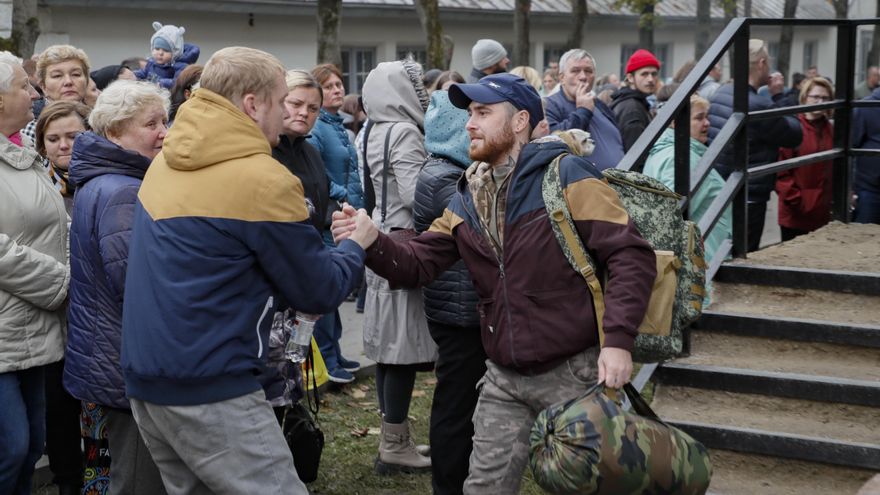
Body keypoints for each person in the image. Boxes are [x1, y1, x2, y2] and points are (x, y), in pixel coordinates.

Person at [332, 72, 656, 494]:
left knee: (591, 485)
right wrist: (372, 241)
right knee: (484, 486)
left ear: (520, 120)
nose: (470, 123)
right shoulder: (470, 191)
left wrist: (617, 341)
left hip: (572, 372)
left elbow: (630, 254)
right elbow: (420, 262)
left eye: (483, 113)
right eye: (470, 113)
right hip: (503, 375)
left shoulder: (568, 175)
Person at [121, 46, 366, 493]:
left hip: (146, 378)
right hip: (214, 384)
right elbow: (319, 290)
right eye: (280, 102)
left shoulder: (165, 162)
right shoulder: (262, 178)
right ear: (253, 105)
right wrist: (355, 245)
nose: (286, 115)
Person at [64, 80, 171, 495]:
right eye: (151, 124)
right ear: (114, 132)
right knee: (133, 479)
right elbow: (136, 288)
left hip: (99, 362)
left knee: (101, 473)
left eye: (165, 120)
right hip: (120, 366)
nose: (164, 131)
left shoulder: (100, 181)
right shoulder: (125, 191)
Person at [360, 59, 437, 474]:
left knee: (388, 351)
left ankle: (396, 436)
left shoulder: (369, 129)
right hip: (402, 243)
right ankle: (394, 445)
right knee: (401, 350)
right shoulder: (404, 131)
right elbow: (413, 195)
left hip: (376, 237)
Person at [0, 51, 69, 495]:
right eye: (25, 85)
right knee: (10, 449)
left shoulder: (20, 152)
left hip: (32, 331)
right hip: (7, 330)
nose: (34, 92)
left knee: (28, 450)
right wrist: (63, 283)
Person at [413, 88, 487, 495]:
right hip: (458, 309)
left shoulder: (447, 170)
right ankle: (448, 483)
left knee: (462, 401)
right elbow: (476, 223)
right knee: (455, 405)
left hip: (461, 303)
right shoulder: (444, 177)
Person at [34, 101, 91, 495]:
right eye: (52, 139)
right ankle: (68, 483)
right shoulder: (37, 188)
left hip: (96, 322)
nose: (63, 146)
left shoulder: (107, 181)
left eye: (72, 136)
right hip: (53, 319)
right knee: (59, 413)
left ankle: (100, 484)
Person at [708, 39, 802, 251]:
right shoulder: (758, 105)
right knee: (744, 253)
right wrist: (779, 96)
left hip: (721, 187)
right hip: (750, 194)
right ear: (761, 64)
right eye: (767, 63)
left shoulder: (721, 93)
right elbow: (794, 134)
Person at [308, 63, 365, 383]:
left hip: (346, 213)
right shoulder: (317, 128)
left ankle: (337, 350)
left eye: (339, 84)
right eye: (329, 86)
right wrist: (344, 197)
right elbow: (319, 176)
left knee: (341, 287)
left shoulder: (338, 125)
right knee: (330, 289)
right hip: (331, 216)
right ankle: (326, 357)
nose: (338, 90)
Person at [643, 93, 732, 292]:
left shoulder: (670, 152)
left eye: (707, 116)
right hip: (701, 264)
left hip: (699, 258)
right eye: (699, 118)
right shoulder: (680, 158)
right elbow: (671, 213)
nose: (707, 123)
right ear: (676, 123)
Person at [775, 77, 835, 240]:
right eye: (815, 97)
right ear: (805, 97)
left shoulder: (831, 130)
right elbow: (781, 171)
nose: (820, 101)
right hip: (795, 215)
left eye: (825, 98)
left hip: (822, 214)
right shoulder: (793, 128)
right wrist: (796, 201)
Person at [544, 48, 624, 170]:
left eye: (588, 71)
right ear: (562, 78)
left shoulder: (600, 105)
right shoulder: (549, 105)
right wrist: (583, 111)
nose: (583, 77)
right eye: (575, 71)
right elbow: (554, 144)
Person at [21, 44, 90, 146]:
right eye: (57, 76)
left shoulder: (97, 121)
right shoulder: (31, 126)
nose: (68, 82)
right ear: (43, 85)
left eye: (76, 74)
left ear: (87, 81)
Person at [610, 48, 661, 153]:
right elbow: (635, 154)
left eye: (654, 74)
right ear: (630, 77)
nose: (650, 79)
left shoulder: (635, 103)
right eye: (644, 74)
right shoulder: (632, 109)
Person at [133, 21, 200, 89]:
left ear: (175, 52)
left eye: (166, 50)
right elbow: (144, 73)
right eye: (157, 49)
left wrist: (162, 83)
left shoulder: (180, 66)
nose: (160, 53)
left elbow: (177, 82)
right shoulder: (151, 62)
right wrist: (133, 75)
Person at [853, 84, 880, 224]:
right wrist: (850, 188)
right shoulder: (866, 106)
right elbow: (851, 145)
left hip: (869, 187)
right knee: (863, 235)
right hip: (870, 189)